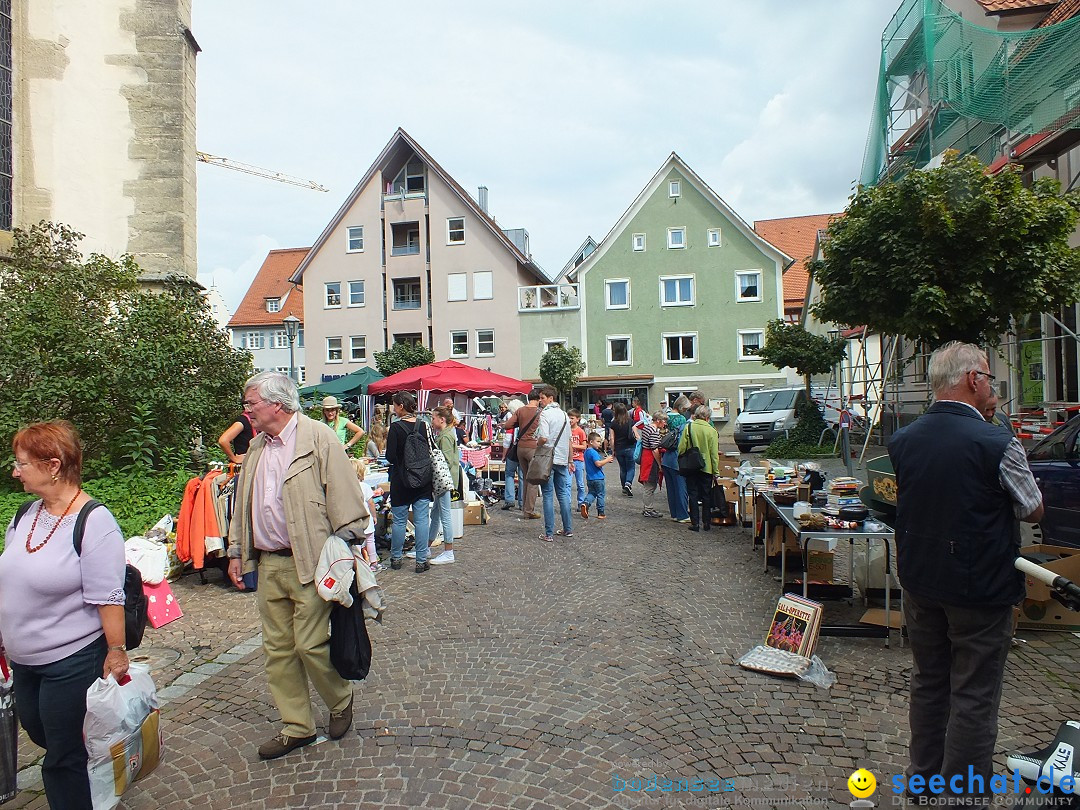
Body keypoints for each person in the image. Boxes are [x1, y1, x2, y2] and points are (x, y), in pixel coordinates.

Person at [888, 342, 1043, 803]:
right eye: (990, 378)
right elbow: (1032, 508)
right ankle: (962, 796)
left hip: (921, 581)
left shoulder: (904, 439)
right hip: (979, 588)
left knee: (929, 683)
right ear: (973, 379)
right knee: (974, 694)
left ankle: (923, 781)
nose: (993, 386)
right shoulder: (996, 442)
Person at [227, 372, 370, 760]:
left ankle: (340, 700)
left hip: (311, 560)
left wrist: (351, 550)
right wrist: (237, 551)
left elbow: (345, 495)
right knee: (278, 650)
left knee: (309, 645)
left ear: (276, 404)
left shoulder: (318, 438)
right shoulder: (257, 445)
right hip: (269, 562)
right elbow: (244, 503)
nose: (246, 410)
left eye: (250, 402)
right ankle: (297, 727)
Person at [0, 420, 129, 809]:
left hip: (69, 659)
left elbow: (109, 596)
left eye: (22, 462)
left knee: (60, 756)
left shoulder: (94, 521)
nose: (15, 470)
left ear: (53, 465)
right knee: (42, 733)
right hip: (24, 659)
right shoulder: (25, 513)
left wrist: (116, 650)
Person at [383, 392, 434, 572]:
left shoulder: (395, 428)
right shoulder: (424, 425)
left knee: (399, 521)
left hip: (401, 479)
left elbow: (389, 457)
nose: (393, 409)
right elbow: (432, 449)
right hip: (423, 479)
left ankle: (396, 559)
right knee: (421, 521)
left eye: (394, 406)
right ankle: (421, 561)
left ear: (401, 406)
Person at [534, 385, 573, 543]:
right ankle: (568, 528)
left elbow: (543, 437)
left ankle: (548, 533)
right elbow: (569, 440)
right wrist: (570, 459)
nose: (541, 401)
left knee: (548, 495)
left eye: (542, 398)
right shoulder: (564, 415)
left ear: (551, 398)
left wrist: (537, 444)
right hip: (562, 458)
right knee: (563, 494)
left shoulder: (545, 414)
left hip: (548, 458)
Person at [678, 404, 721, 532]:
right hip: (706, 467)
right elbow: (714, 454)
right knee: (706, 495)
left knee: (693, 494)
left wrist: (683, 457)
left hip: (691, 466)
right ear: (707, 417)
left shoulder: (689, 427)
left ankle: (695, 523)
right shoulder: (712, 431)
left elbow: (681, 447)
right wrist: (716, 471)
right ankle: (706, 523)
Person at [428, 405, 460, 566]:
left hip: (443, 481)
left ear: (442, 419)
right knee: (436, 514)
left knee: (444, 515)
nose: (431, 421)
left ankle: (449, 551)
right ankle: (426, 547)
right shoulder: (445, 434)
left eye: (433, 418)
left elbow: (446, 461)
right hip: (444, 481)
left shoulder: (445, 437)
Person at [502, 391, 542, 518]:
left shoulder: (520, 410)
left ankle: (525, 507)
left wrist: (520, 423)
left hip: (520, 448)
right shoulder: (540, 412)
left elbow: (507, 425)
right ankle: (528, 510)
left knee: (525, 478)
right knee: (533, 480)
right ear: (538, 399)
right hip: (533, 446)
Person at [350, 458, 384, 573]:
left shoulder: (349, 487)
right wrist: (374, 516)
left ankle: (359, 564)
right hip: (366, 518)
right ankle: (374, 562)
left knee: (357, 543)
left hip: (354, 518)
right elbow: (371, 503)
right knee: (370, 541)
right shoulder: (365, 486)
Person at [660, 412, 691, 523]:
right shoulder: (686, 428)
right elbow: (682, 447)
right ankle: (682, 515)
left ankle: (674, 513)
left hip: (667, 460)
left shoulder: (676, 428)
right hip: (676, 462)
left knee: (671, 489)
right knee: (681, 488)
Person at [579, 432, 613, 519]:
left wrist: (604, 460)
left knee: (592, 493)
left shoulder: (586, 452)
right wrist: (608, 459)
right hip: (598, 478)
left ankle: (585, 503)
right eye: (597, 441)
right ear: (591, 442)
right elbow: (598, 464)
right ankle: (601, 512)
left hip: (590, 478)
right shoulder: (593, 452)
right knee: (600, 494)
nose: (599, 443)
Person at [638, 410, 665, 518]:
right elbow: (654, 449)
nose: (665, 423)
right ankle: (648, 508)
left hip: (646, 457)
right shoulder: (654, 431)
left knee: (648, 484)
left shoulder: (647, 427)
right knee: (650, 485)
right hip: (650, 459)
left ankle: (647, 508)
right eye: (663, 421)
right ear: (658, 420)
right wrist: (659, 464)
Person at [608, 402, 638, 497]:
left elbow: (612, 438)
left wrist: (613, 450)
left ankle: (623, 487)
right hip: (630, 447)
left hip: (619, 448)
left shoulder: (613, 423)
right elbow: (636, 435)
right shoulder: (630, 421)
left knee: (623, 469)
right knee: (631, 468)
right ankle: (628, 483)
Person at [500, 399, 524, 511]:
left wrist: (504, 455)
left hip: (513, 451)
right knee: (522, 477)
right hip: (524, 450)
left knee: (509, 474)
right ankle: (522, 502)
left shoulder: (512, 421)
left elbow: (507, 440)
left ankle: (509, 499)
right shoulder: (526, 420)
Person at [568, 408, 588, 509]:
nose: (570, 420)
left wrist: (573, 446)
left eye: (572, 418)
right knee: (567, 483)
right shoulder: (566, 430)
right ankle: (567, 503)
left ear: (577, 419)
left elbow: (584, 446)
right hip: (568, 461)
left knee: (580, 484)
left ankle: (581, 503)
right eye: (569, 418)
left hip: (579, 460)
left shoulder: (580, 431)